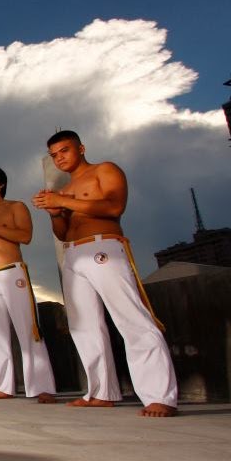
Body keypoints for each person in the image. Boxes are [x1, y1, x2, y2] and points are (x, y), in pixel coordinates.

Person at [31, 130, 178, 417]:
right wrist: (54, 212)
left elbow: (114, 206)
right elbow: (62, 234)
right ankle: (101, 392)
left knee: (132, 319)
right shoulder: (65, 190)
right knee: (84, 326)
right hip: (73, 254)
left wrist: (63, 202)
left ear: (81, 148)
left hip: (104, 248)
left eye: (64, 151)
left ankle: (160, 396)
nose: (59, 158)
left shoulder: (105, 170)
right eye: (54, 155)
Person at [0, 167, 56, 403]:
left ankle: (42, 386)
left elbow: (25, 236)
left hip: (12, 271)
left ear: (2, 184)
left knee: (28, 328)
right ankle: (3, 386)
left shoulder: (16, 207)